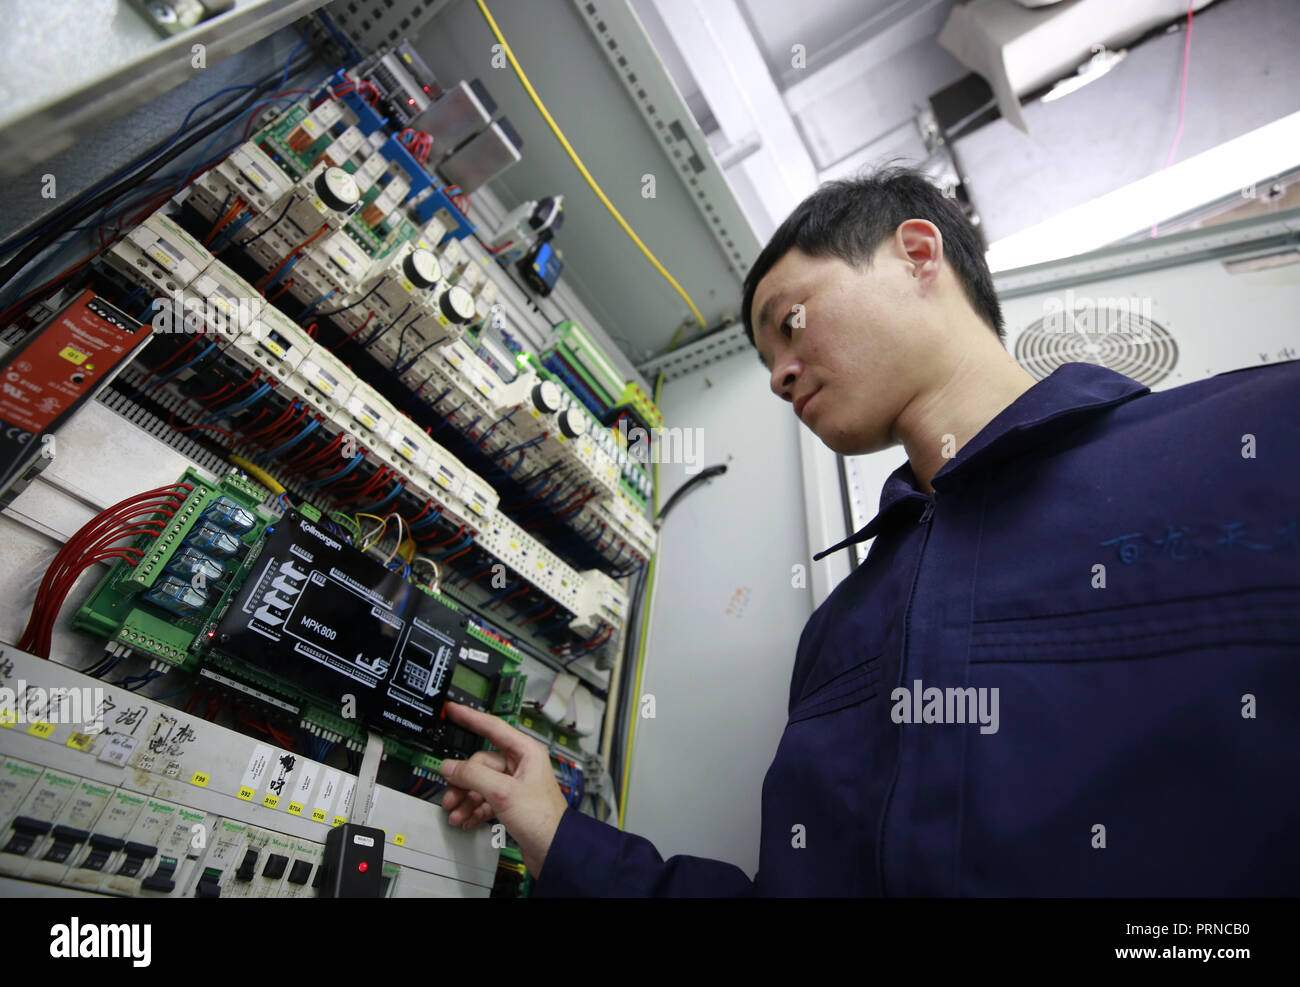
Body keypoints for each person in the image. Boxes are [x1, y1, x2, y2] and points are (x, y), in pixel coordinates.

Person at [437, 166, 1300, 896]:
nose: (778, 375)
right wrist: (561, 836)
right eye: (766, 356)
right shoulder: (841, 630)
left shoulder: (1256, 440)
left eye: (790, 321)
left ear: (917, 254)